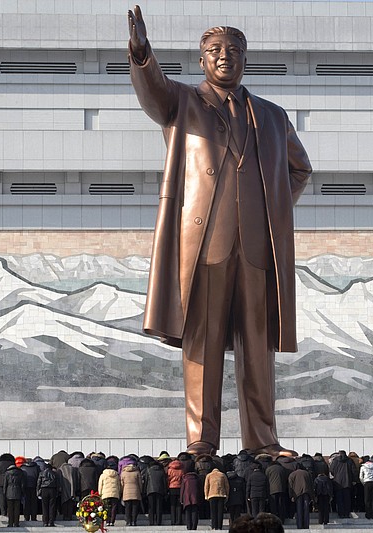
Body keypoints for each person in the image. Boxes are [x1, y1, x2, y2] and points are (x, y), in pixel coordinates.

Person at [127, 5, 312, 458]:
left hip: (256, 248)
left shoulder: (270, 115)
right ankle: (201, 440)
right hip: (204, 243)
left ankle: (263, 440)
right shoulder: (183, 102)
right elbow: (152, 91)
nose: (224, 56)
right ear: (202, 60)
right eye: (214, 51)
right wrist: (140, 52)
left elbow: (300, 168)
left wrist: (275, 209)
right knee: (202, 348)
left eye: (233, 50)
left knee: (258, 349)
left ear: (246, 59)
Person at [288, 463, 315, 529]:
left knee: (299, 509)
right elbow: (311, 485)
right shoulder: (307, 473)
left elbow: (290, 486)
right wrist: (312, 496)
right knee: (306, 509)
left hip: (297, 494)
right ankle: (306, 525)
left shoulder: (292, 474)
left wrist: (291, 495)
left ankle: (299, 525)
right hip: (306, 493)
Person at [142, 459, 168, 526]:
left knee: (151, 507)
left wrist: (144, 491)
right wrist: (165, 491)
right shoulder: (162, 471)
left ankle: (151, 521)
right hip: (160, 491)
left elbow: (146, 481)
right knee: (159, 507)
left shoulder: (148, 470)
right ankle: (158, 521)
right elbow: (164, 482)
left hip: (150, 491)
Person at [2, 463, 25, 527]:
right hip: (18, 491)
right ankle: (16, 523)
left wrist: (4, 493)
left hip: (9, 492)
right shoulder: (20, 473)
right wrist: (22, 493)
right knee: (17, 509)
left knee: (10, 509)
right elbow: (22, 485)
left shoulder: (7, 473)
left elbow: (5, 484)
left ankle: (10, 523)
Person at [39, 463, 62, 527]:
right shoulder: (54, 473)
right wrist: (57, 491)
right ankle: (51, 522)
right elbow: (58, 483)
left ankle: (45, 522)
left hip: (44, 489)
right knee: (52, 506)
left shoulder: (41, 473)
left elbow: (39, 482)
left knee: (44, 506)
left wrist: (38, 491)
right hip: (52, 490)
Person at [121, 462, 143, 526]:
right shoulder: (137, 472)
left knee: (127, 508)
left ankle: (128, 521)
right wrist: (140, 491)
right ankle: (134, 521)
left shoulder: (123, 473)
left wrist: (122, 491)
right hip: (136, 491)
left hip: (126, 491)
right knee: (135, 507)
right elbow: (140, 483)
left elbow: (122, 484)